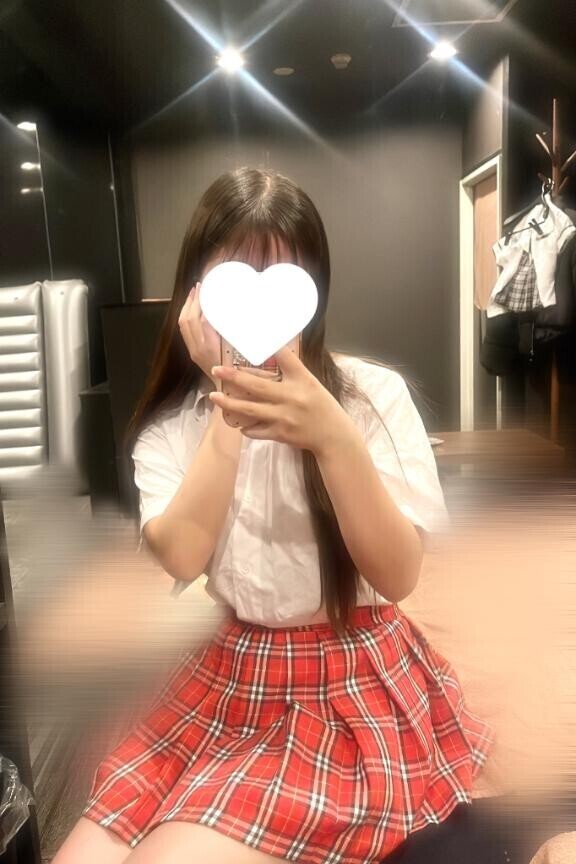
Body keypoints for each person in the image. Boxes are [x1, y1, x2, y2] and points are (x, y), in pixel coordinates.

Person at [53, 167, 493, 864]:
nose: (257, 308)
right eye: (235, 281)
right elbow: (182, 555)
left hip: (349, 684)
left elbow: (398, 574)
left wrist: (333, 438)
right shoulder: (173, 428)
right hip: (232, 676)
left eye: (282, 279)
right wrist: (229, 400)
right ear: (194, 298)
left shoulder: (372, 397)